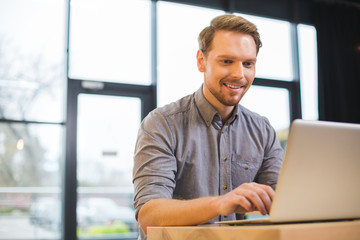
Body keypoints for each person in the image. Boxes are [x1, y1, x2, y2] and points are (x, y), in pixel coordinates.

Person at [132, 14, 283, 239]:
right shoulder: (161, 124)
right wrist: (221, 203)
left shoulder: (263, 131)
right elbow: (149, 215)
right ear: (201, 61)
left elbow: (283, 201)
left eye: (248, 64)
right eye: (226, 61)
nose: (239, 74)